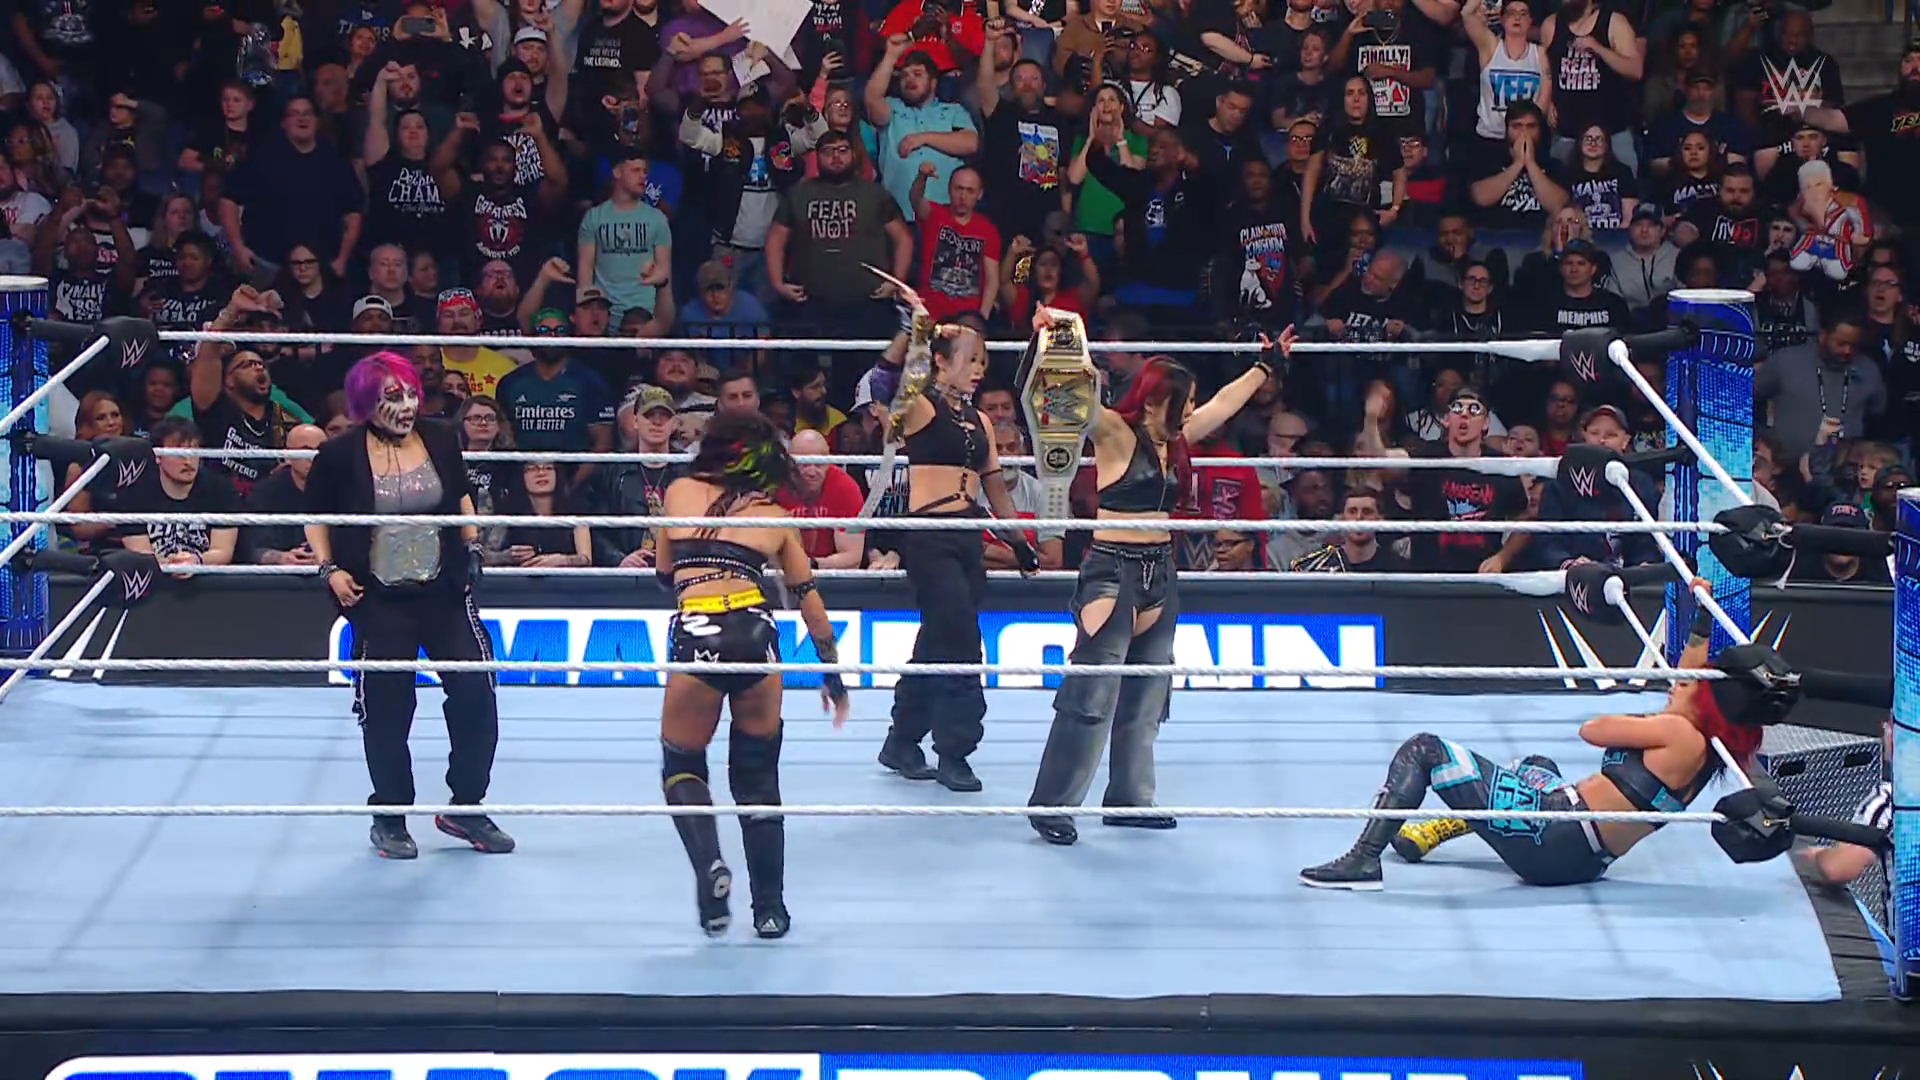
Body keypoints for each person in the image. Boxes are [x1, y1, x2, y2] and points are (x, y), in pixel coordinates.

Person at [1301, 582, 1784, 889]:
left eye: (1688, 685)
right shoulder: (1705, 749)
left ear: (1705, 701)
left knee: (1425, 750)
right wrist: (1701, 619)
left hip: (1549, 834)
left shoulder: (1676, 731)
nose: (1676, 683)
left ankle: (1364, 860)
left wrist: (1643, 716)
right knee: (1538, 765)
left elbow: (1593, 730)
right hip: (1583, 859)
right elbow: (1691, 676)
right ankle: (1444, 826)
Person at [1026, 315, 1288, 845]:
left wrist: (1266, 366)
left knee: (1147, 697)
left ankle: (1129, 800)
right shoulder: (1113, 433)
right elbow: (1065, 393)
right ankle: (1052, 806)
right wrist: (1047, 341)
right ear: (1153, 401)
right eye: (1183, 402)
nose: (1191, 411)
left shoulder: (1178, 440)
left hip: (1160, 572)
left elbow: (1224, 404)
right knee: (1091, 695)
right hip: (1111, 570)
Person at [302, 352, 513, 861]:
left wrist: (473, 544)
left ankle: (467, 806)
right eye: (391, 397)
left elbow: (460, 496)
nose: (406, 405)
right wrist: (330, 570)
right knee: (387, 708)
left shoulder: (440, 437)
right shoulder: (339, 454)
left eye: (411, 393)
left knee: (476, 692)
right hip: (378, 597)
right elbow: (314, 517)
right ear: (364, 403)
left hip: (444, 591)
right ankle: (390, 815)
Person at [656, 410, 852, 941]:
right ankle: (770, 909)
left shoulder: (678, 492)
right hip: (755, 631)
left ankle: (709, 868)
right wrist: (831, 674)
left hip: (699, 631)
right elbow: (809, 599)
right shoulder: (776, 517)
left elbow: (664, 574)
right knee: (758, 777)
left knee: (681, 762)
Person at [873, 285, 1041, 793]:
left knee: (937, 641)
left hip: (969, 536)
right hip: (931, 537)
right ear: (940, 363)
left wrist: (1018, 541)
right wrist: (913, 330)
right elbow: (885, 382)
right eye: (969, 359)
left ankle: (902, 741)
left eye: (983, 360)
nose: (978, 369)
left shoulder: (981, 420)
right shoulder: (922, 407)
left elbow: (996, 488)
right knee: (962, 642)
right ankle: (955, 751)